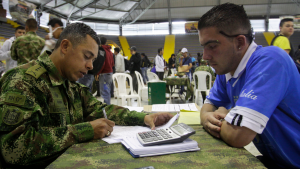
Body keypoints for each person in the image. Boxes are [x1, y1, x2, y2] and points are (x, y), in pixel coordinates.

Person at [0, 23, 173, 168]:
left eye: (93, 60)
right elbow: (14, 146)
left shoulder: (69, 84)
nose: (91, 66)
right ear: (65, 46)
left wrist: (144, 118)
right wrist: (84, 131)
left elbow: (100, 110)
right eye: (87, 57)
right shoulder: (23, 81)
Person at [198, 3, 300, 169]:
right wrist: (206, 117)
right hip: (276, 161)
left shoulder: (271, 60)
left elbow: (238, 135)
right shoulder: (227, 72)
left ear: (239, 42)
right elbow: (207, 107)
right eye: (204, 47)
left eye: (212, 46)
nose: (205, 56)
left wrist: (222, 114)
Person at [97, 37, 114, 105]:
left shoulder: (102, 50)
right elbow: (113, 63)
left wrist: (98, 73)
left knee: (104, 91)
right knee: (107, 90)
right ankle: (107, 105)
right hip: (109, 73)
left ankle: (107, 107)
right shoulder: (109, 51)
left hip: (104, 73)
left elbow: (102, 63)